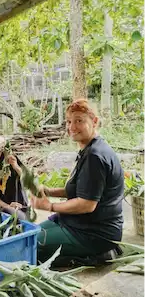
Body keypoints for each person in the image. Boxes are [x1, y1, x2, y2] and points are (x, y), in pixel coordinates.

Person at [31, 99, 124, 265]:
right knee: (28, 235)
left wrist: (49, 206)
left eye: (79, 120)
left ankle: (96, 254)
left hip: (94, 234)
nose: (72, 127)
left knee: (29, 247)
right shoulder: (88, 149)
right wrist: (50, 191)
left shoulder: (95, 156)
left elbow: (86, 204)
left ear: (94, 121)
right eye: (69, 121)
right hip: (77, 223)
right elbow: (82, 189)